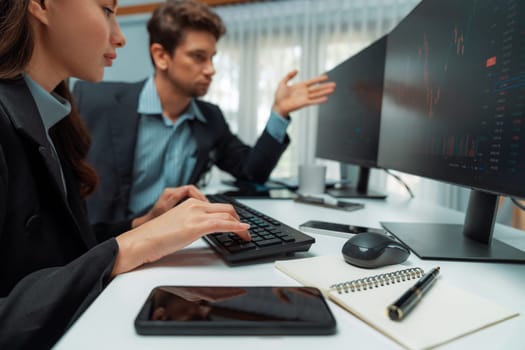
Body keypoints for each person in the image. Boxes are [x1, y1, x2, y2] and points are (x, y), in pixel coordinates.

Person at [0, 1, 250, 348]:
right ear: (41, 5)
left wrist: (143, 223)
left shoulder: (54, 117)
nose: (120, 38)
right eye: (107, 10)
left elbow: (63, 249)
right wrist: (130, 246)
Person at [73, 0, 336, 226]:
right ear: (161, 56)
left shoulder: (211, 118)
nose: (211, 69)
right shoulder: (95, 100)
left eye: (212, 57)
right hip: (107, 247)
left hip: (176, 245)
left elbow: (251, 172)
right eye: (198, 57)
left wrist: (278, 113)